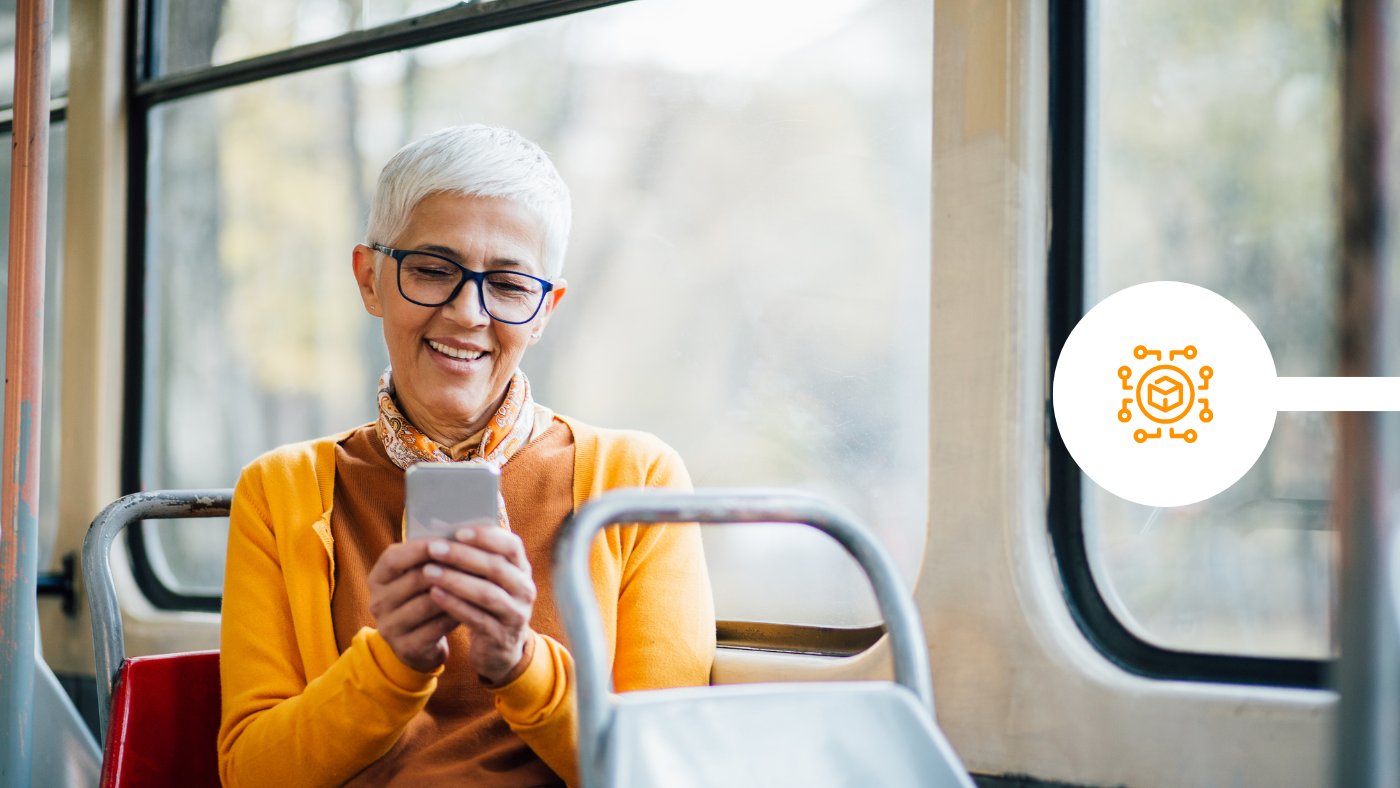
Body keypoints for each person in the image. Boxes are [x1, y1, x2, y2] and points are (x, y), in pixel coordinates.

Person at [216, 125, 716, 788]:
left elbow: (665, 772)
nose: (466, 313)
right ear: (371, 280)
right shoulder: (280, 489)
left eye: (508, 285)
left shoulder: (639, 482)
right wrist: (393, 664)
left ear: (544, 311)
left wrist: (520, 662)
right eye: (431, 270)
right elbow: (251, 775)